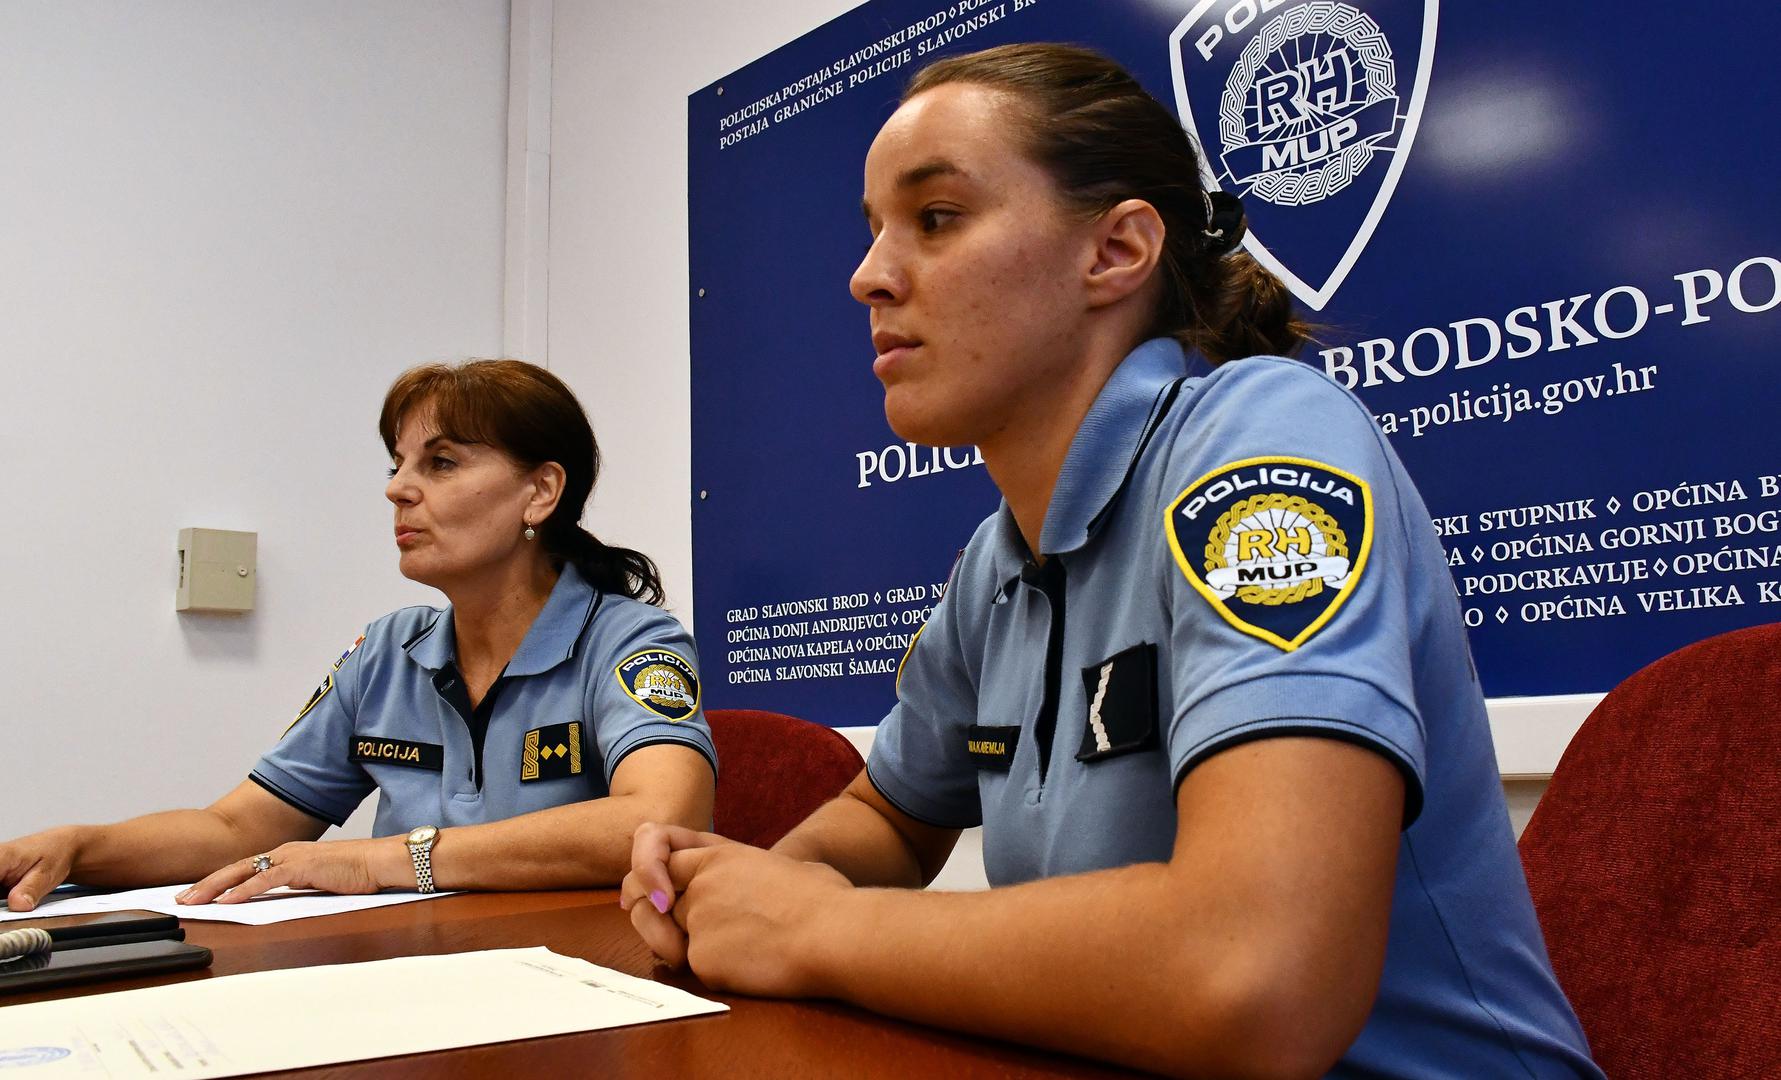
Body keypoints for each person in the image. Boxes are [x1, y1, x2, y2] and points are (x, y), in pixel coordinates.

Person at [622, 44, 1602, 1078]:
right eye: (872, 232)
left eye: (936, 219)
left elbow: (1257, 975)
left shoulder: (1263, 444)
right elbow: (887, 815)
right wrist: (749, 884)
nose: (866, 275)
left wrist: (811, 932)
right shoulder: (998, 558)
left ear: (1116, 251)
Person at [2, 359, 715, 910]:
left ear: (540, 492)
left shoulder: (627, 640)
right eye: (397, 464)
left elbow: (660, 817)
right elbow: (241, 830)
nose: (398, 489)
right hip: (406, 976)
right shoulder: (386, 652)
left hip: (577, 989)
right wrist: (79, 845)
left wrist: (382, 860)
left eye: (441, 463)